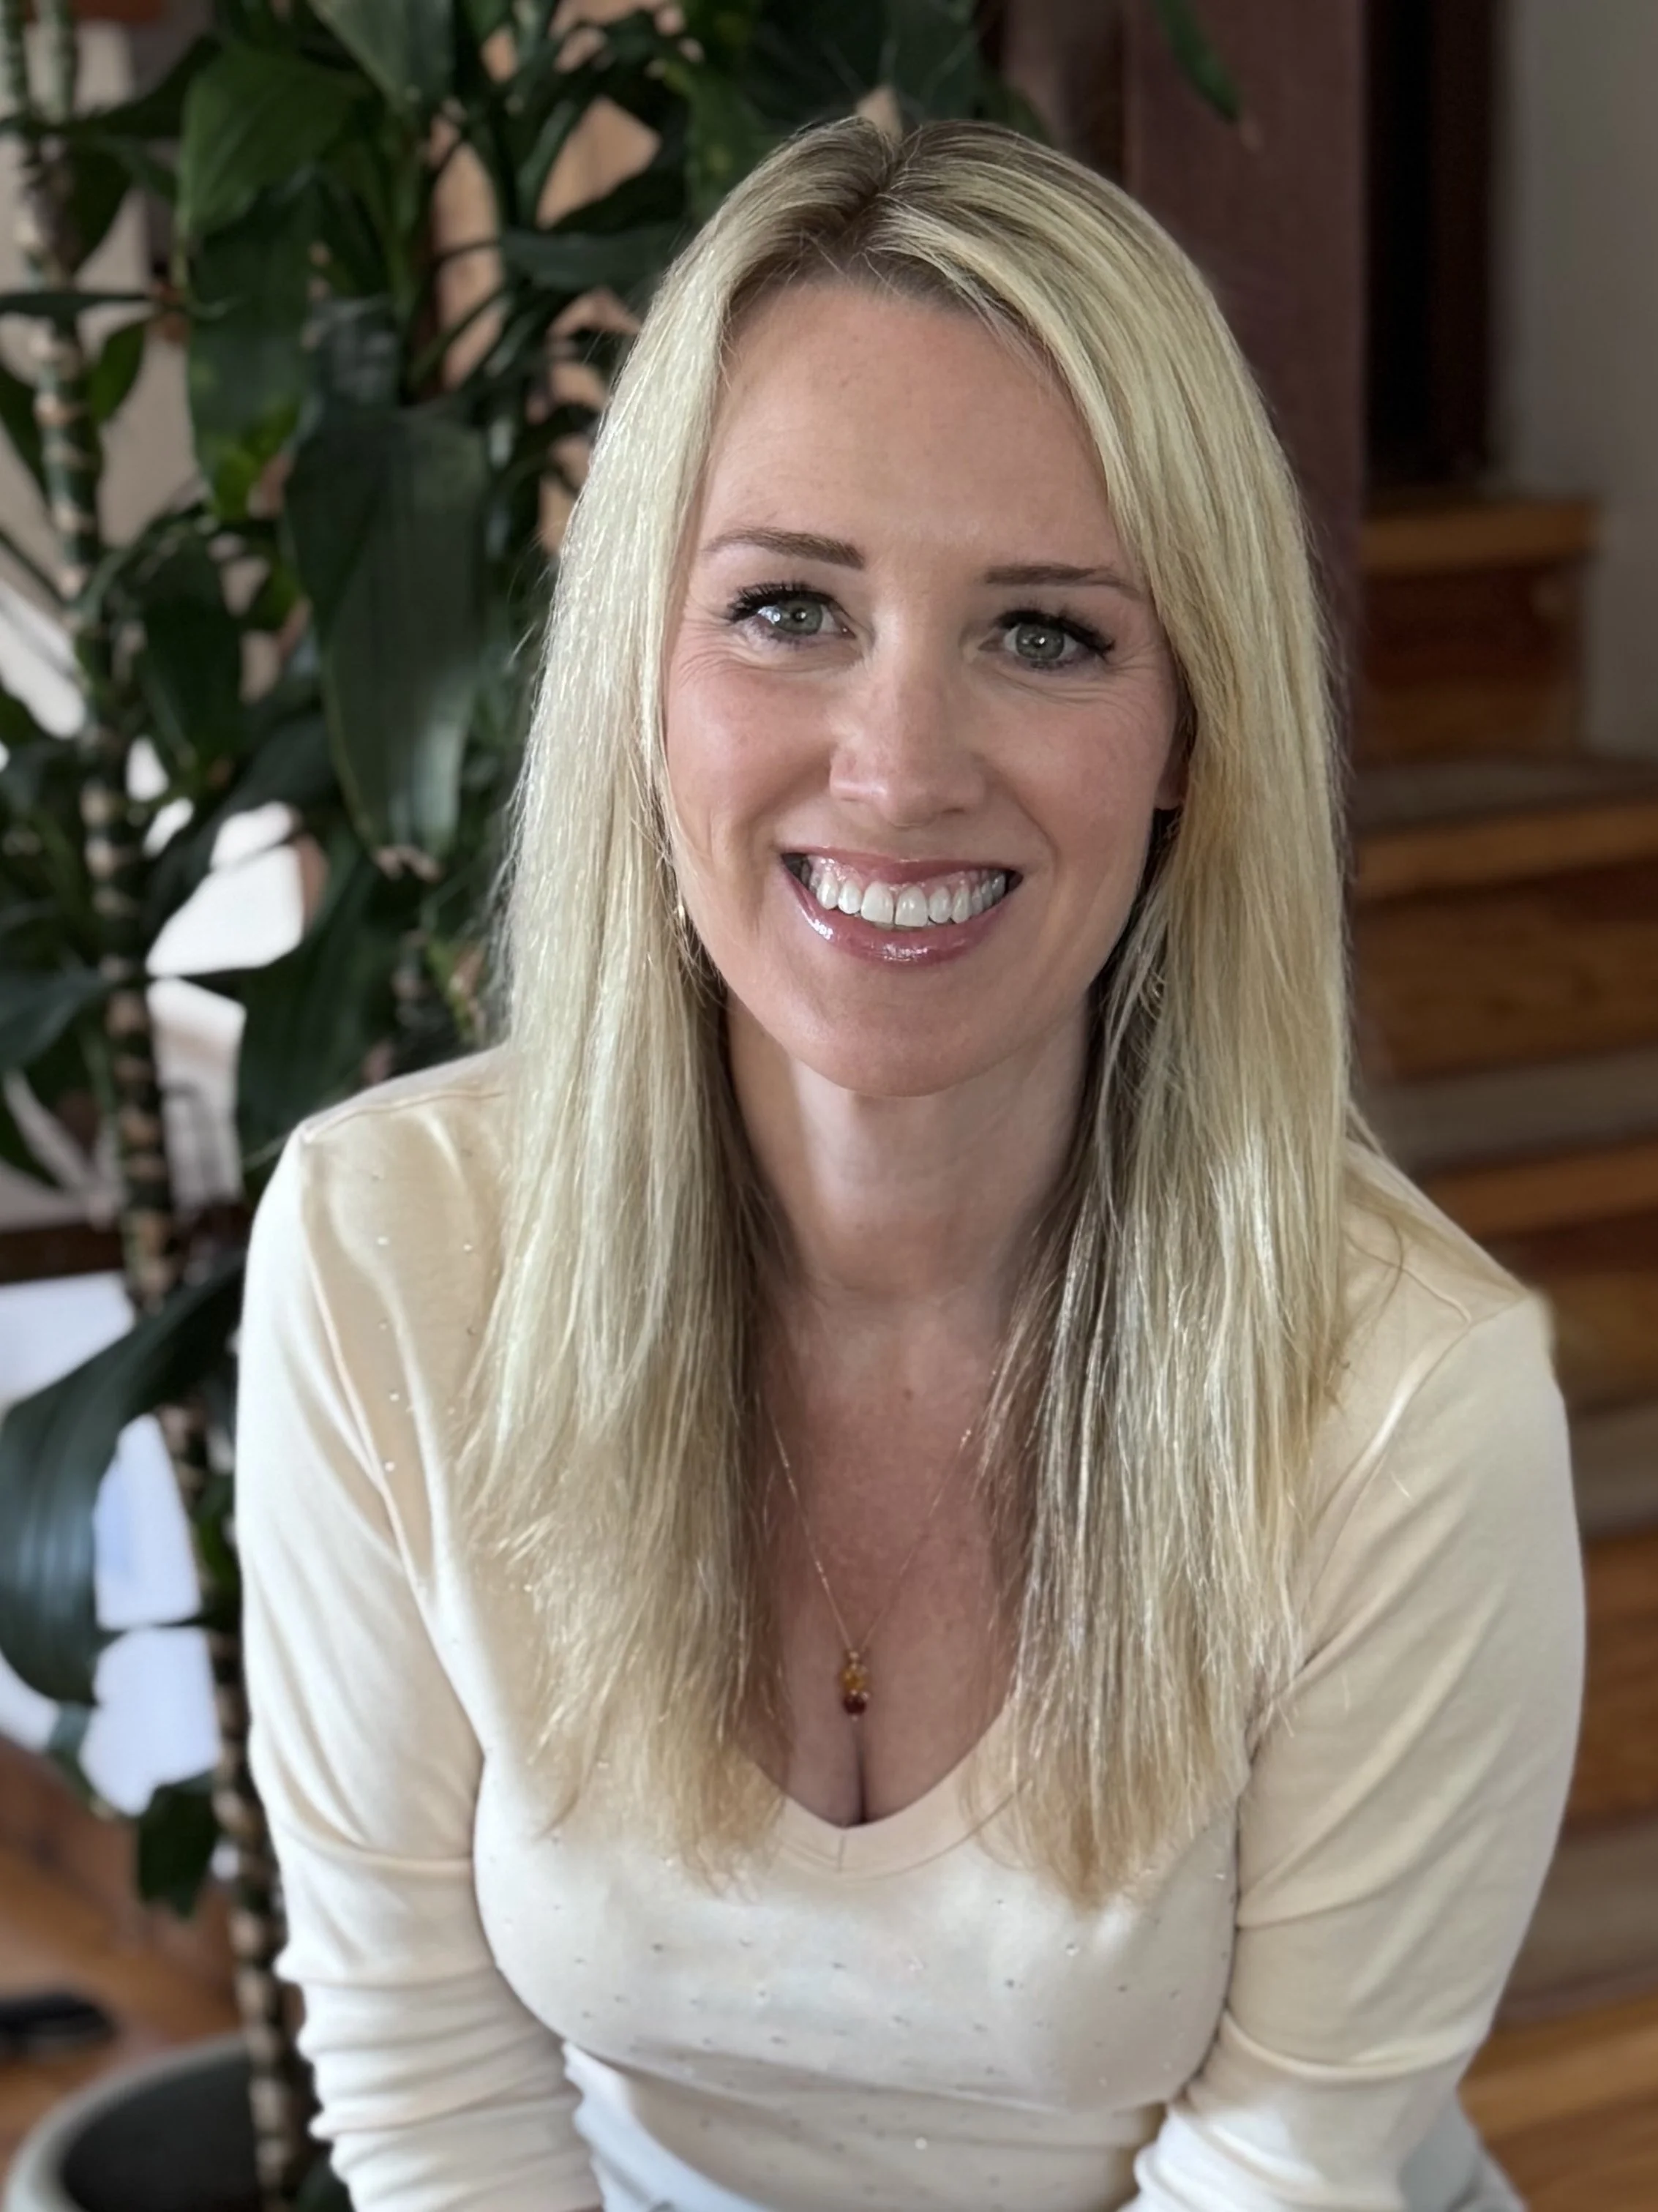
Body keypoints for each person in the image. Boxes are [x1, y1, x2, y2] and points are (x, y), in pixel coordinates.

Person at [237, 117, 1584, 2212]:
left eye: (1045, 634)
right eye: (788, 606)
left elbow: (1283, 2171)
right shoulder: (385, 1250)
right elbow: (428, 2094)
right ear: (642, 680)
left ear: (1189, 732)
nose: (894, 770)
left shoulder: (1404, 1391)